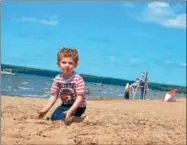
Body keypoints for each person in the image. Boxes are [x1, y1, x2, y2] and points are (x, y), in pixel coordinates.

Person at [38, 47, 86, 124]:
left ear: (75, 65)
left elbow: (79, 98)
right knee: (54, 117)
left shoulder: (78, 79)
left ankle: (80, 119)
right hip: (65, 104)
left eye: (70, 63)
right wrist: (45, 110)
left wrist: (70, 111)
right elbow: (54, 96)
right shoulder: (58, 78)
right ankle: (72, 117)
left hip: (78, 106)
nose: (67, 65)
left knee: (64, 119)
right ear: (58, 64)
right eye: (64, 62)